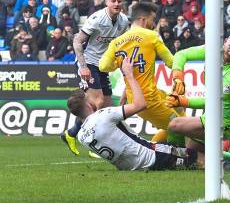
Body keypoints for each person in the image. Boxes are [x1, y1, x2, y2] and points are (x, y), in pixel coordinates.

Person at [67, 57, 198, 171]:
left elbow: (113, 129)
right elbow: (141, 104)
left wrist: (125, 93)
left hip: (130, 166)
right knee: (197, 152)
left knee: (190, 143)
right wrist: (129, 75)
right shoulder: (103, 115)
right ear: (88, 103)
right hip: (153, 157)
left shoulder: (82, 137)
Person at [163, 37, 230, 170]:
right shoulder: (212, 51)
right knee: (193, 151)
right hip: (211, 114)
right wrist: (178, 78)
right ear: (225, 41)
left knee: (174, 125)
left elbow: (214, 99)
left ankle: (178, 162)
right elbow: (181, 54)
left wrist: (182, 101)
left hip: (225, 122)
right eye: (229, 46)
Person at [98, 2, 185, 147]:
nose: (154, 23)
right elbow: (171, 63)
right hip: (149, 101)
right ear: (143, 19)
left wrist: (120, 65)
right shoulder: (152, 36)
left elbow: (103, 66)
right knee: (184, 127)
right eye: (152, 19)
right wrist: (186, 56)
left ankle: (161, 149)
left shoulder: (116, 42)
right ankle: (157, 152)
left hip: (136, 101)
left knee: (179, 108)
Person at [61, 0, 129, 156]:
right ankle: (96, 142)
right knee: (97, 101)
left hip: (103, 65)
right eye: (113, 1)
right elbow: (77, 40)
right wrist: (83, 66)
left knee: (105, 104)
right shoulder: (97, 18)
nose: (117, 4)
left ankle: (70, 133)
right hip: (89, 62)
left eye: (119, 1)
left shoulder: (124, 21)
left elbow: (121, 45)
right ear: (107, 2)